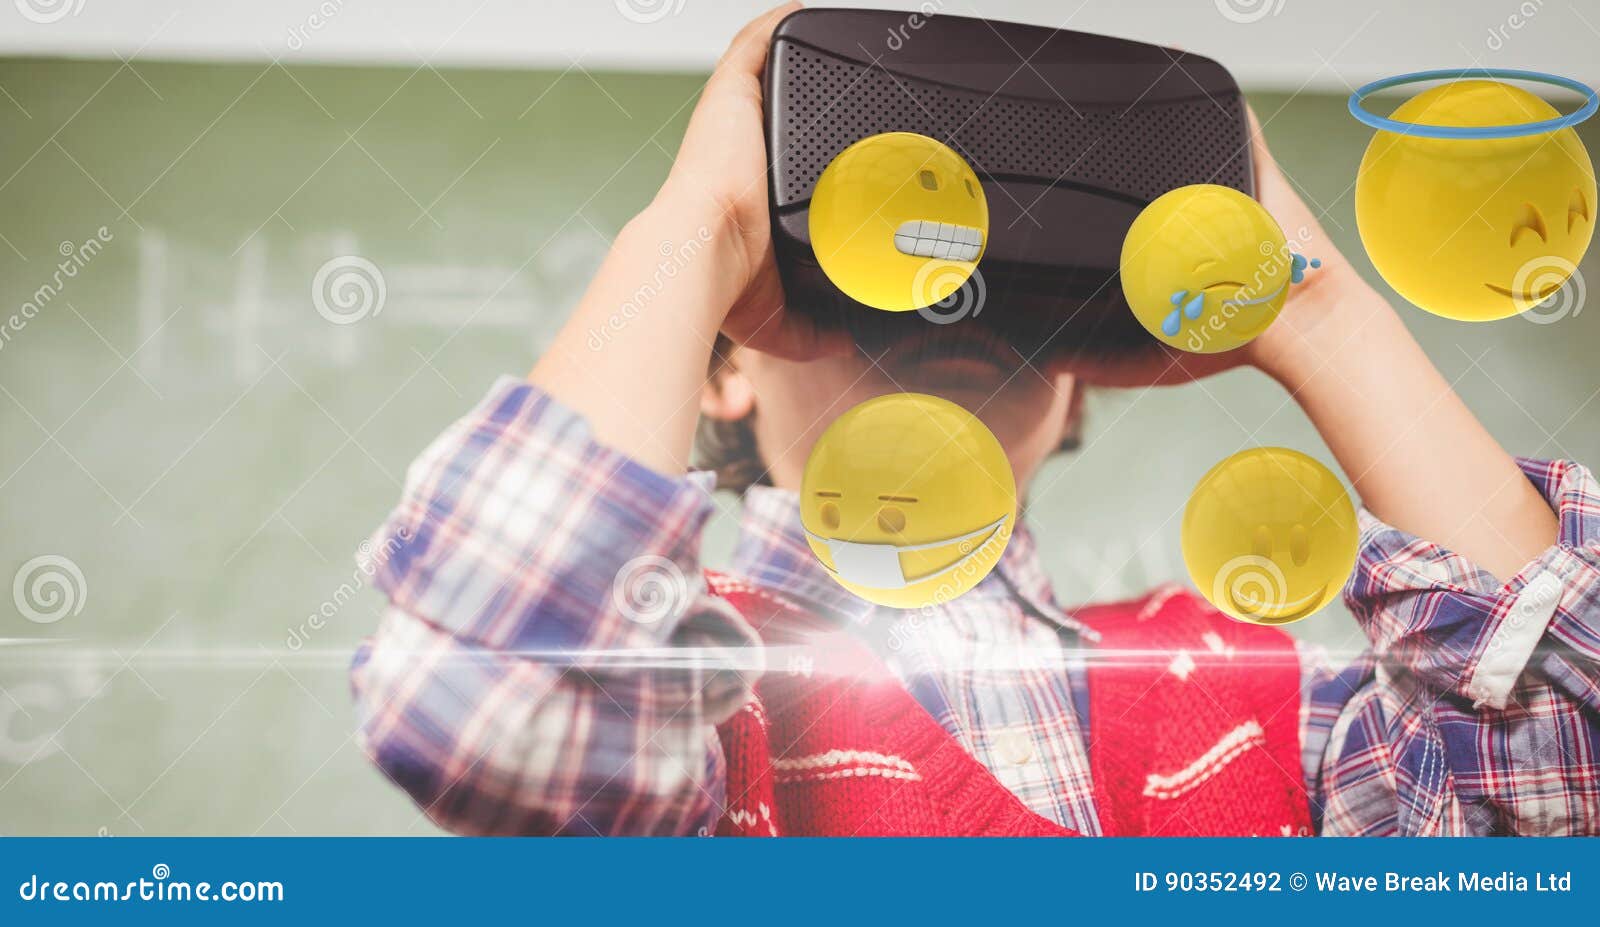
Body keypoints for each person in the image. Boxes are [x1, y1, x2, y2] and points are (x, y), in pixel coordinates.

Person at [349, 4, 1600, 836]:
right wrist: (709, 228)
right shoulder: (698, 698)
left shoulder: (1263, 695)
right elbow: (490, 710)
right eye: (879, 253)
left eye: (1005, 287)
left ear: (1076, 396)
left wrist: (1312, 313)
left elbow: (1562, 767)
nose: (945, 292)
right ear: (718, 373)